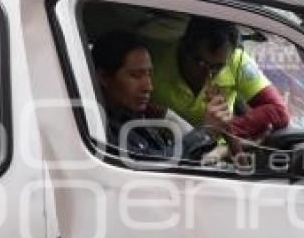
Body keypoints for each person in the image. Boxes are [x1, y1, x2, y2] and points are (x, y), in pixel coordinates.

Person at [149, 16, 289, 143]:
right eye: (200, 63)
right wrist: (205, 131)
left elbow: (279, 111)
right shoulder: (153, 61)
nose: (207, 74)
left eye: (218, 67)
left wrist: (227, 129)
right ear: (184, 46)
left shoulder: (237, 61)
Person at [91, 31, 214, 161]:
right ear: (104, 77)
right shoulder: (99, 127)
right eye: (136, 75)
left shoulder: (134, 117)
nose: (148, 87)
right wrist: (205, 132)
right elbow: (151, 165)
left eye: (149, 74)